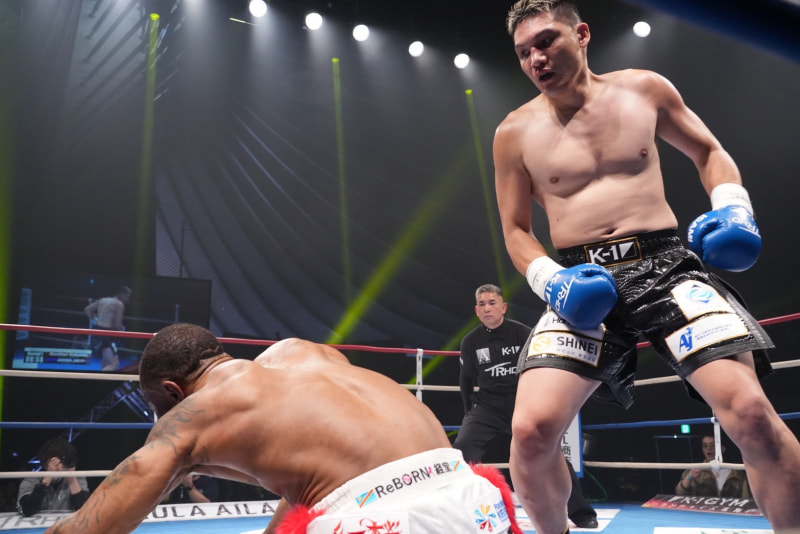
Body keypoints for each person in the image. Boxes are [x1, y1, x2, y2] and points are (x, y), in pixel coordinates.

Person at [493, 1, 800, 533]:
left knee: (751, 413)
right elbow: (516, 231)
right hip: (580, 279)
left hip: (665, 267)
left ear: (581, 33)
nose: (535, 59)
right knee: (531, 433)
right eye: (524, 52)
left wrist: (734, 208)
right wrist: (551, 280)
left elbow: (709, 152)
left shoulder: (643, 89)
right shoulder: (513, 132)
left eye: (545, 42)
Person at [46, 323, 523, 534]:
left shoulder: (195, 413)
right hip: (475, 500)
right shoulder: (304, 354)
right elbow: (319, 485)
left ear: (172, 391)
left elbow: (92, 526)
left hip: (383, 521)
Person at [454, 284, 597, 529]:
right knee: (462, 449)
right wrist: (469, 413)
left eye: (492, 303)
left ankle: (582, 513)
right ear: (476, 310)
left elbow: (543, 368)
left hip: (523, 403)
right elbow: (466, 379)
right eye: (482, 304)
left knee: (551, 454)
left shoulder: (523, 334)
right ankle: (457, 511)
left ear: (503, 307)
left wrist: (542, 401)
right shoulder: (470, 342)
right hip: (487, 407)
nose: (487, 308)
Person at [17, 438, 90, 517]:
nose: (59, 466)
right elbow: (25, 510)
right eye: (54, 462)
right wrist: (48, 478)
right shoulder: (32, 479)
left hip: (66, 523)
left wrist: (71, 477)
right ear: (45, 463)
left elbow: (86, 510)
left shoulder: (77, 478)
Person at [675, 434, 750, 498]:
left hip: (729, 510)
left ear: (723, 448)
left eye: (713, 445)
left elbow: (746, 499)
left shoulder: (737, 474)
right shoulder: (694, 470)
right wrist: (689, 477)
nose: (709, 448)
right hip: (704, 510)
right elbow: (680, 493)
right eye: (705, 446)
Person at [84, 286, 132, 371]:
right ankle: (97, 379)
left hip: (97, 331)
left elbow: (87, 309)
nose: (127, 299)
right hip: (107, 334)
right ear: (122, 294)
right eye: (127, 296)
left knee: (106, 362)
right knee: (114, 364)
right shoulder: (119, 304)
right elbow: (117, 325)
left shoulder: (103, 300)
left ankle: (102, 379)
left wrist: (93, 319)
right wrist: (123, 329)